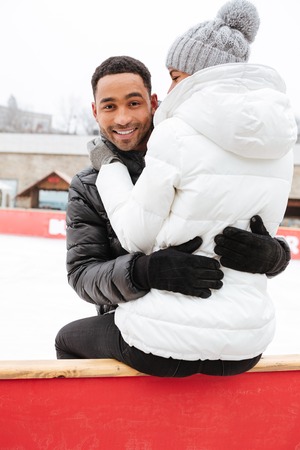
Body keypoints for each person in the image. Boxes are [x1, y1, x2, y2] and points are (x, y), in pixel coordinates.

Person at [55, 6, 293, 376]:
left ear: (153, 103)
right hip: (217, 332)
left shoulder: (183, 141)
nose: (122, 118)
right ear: (94, 112)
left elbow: (245, 223)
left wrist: (273, 256)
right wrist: (143, 272)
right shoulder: (88, 185)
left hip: (158, 337)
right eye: (109, 107)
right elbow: (84, 275)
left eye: (134, 103)